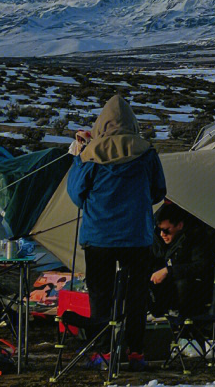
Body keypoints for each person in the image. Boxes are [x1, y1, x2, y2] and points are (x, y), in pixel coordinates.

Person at [67, 95, 165, 372]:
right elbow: (159, 191)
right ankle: (136, 354)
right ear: (133, 123)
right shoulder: (146, 153)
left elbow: (76, 195)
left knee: (101, 295)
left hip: (99, 238)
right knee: (137, 296)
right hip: (137, 237)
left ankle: (104, 354)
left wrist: (79, 157)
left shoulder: (89, 155)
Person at [149, 201, 215, 318]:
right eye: (160, 230)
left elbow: (202, 266)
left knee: (182, 283)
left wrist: (169, 271)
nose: (162, 234)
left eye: (166, 230)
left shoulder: (196, 238)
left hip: (195, 290)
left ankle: (179, 316)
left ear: (180, 225)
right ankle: (157, 312)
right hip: (171, 289)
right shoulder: (159, 241)